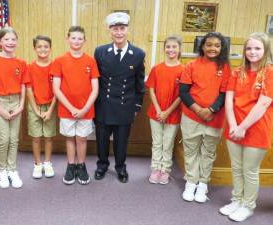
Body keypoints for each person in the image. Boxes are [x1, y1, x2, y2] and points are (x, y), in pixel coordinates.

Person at [219, 32, 273, 222]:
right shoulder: (237, 72)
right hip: (234, 127)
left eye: (257, 48)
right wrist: (234, 125)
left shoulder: (269, 73)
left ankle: (248, 206)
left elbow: (263, 104)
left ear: (266, 50)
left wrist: (242, 126)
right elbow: (228, 100)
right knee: (236, 167)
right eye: (249, 48)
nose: (252, 52)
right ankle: (237, 200)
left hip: (256, 129)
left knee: (250, 169)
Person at [94, 12, 145, 183]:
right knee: (101, 140)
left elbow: (139, 83)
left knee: (121, 141)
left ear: (127, 30)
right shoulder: (100, 51)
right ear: (110, 31)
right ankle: (102, 165)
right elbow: (96, 80)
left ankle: (120, 168)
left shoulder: (138, 54)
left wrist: (137, 106)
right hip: (104, 104)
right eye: (115, 29)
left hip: (125, 105)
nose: (118, 32)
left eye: (122, 28)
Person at [179, 32, 231, 203]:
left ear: (222, 48)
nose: (212, 48)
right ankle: (191, 182)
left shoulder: (225, 68)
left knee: (208, 153)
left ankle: (202, 184)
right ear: (202, 46)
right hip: (191, 116)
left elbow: (224, 94)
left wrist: (211, 109)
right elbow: (184, 92)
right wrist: (199, 110)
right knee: (191, 151)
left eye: (217, 45)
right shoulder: (191, 65)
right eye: (209, 44)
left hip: (214, 118)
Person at [51, 26, 99, 185]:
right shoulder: (59, 61)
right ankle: (71, 166)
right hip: (67, 110)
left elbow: (95, 88)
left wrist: (84, 108)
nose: (76, 41)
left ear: (84, 41)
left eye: (80, 38)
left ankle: (81, 165)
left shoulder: (91, 61)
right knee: (70, 138)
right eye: (73, 38)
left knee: (82, 138)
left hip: (86, 109)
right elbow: (56, 88)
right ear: (67, 39)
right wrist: (71, 108)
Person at [0, 27, 26, 189]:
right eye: (6, 39)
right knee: (4, 139)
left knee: (14, 139)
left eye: (13, 39)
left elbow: (23, 85)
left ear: (16, 41)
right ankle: (2, 170)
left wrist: (21, 105)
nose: (10, 42)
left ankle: (12, 169)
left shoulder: (21, 63)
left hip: (16, 100)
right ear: (0, 42)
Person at [145, 35, 183, 185]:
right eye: (168, 47)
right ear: (164, 49)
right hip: (155, 113)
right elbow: (152, 91)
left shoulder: (184, 70)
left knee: (168, 143)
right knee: (157, 142)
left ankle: (165, 169)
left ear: (180, 49)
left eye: (174, 47)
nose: (171, 49)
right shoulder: (157, 68)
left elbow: (182, 94)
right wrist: (159, 110)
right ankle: (155, 168)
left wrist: (167, 112)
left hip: (173, 113)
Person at [24, 35, 56, 179]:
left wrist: (50, 110)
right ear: (34, 49)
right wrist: (36, 109)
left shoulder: (55, 66)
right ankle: (37, 164)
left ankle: (47, 163)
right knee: (36, 137)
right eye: (39, 47)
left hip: (51, 105)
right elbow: (28, 89)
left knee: (49, 137)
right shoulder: (29, 67)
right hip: (34, 105)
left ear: (50, 49)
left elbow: (58, 90)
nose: (43, 49)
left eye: (46, 46)